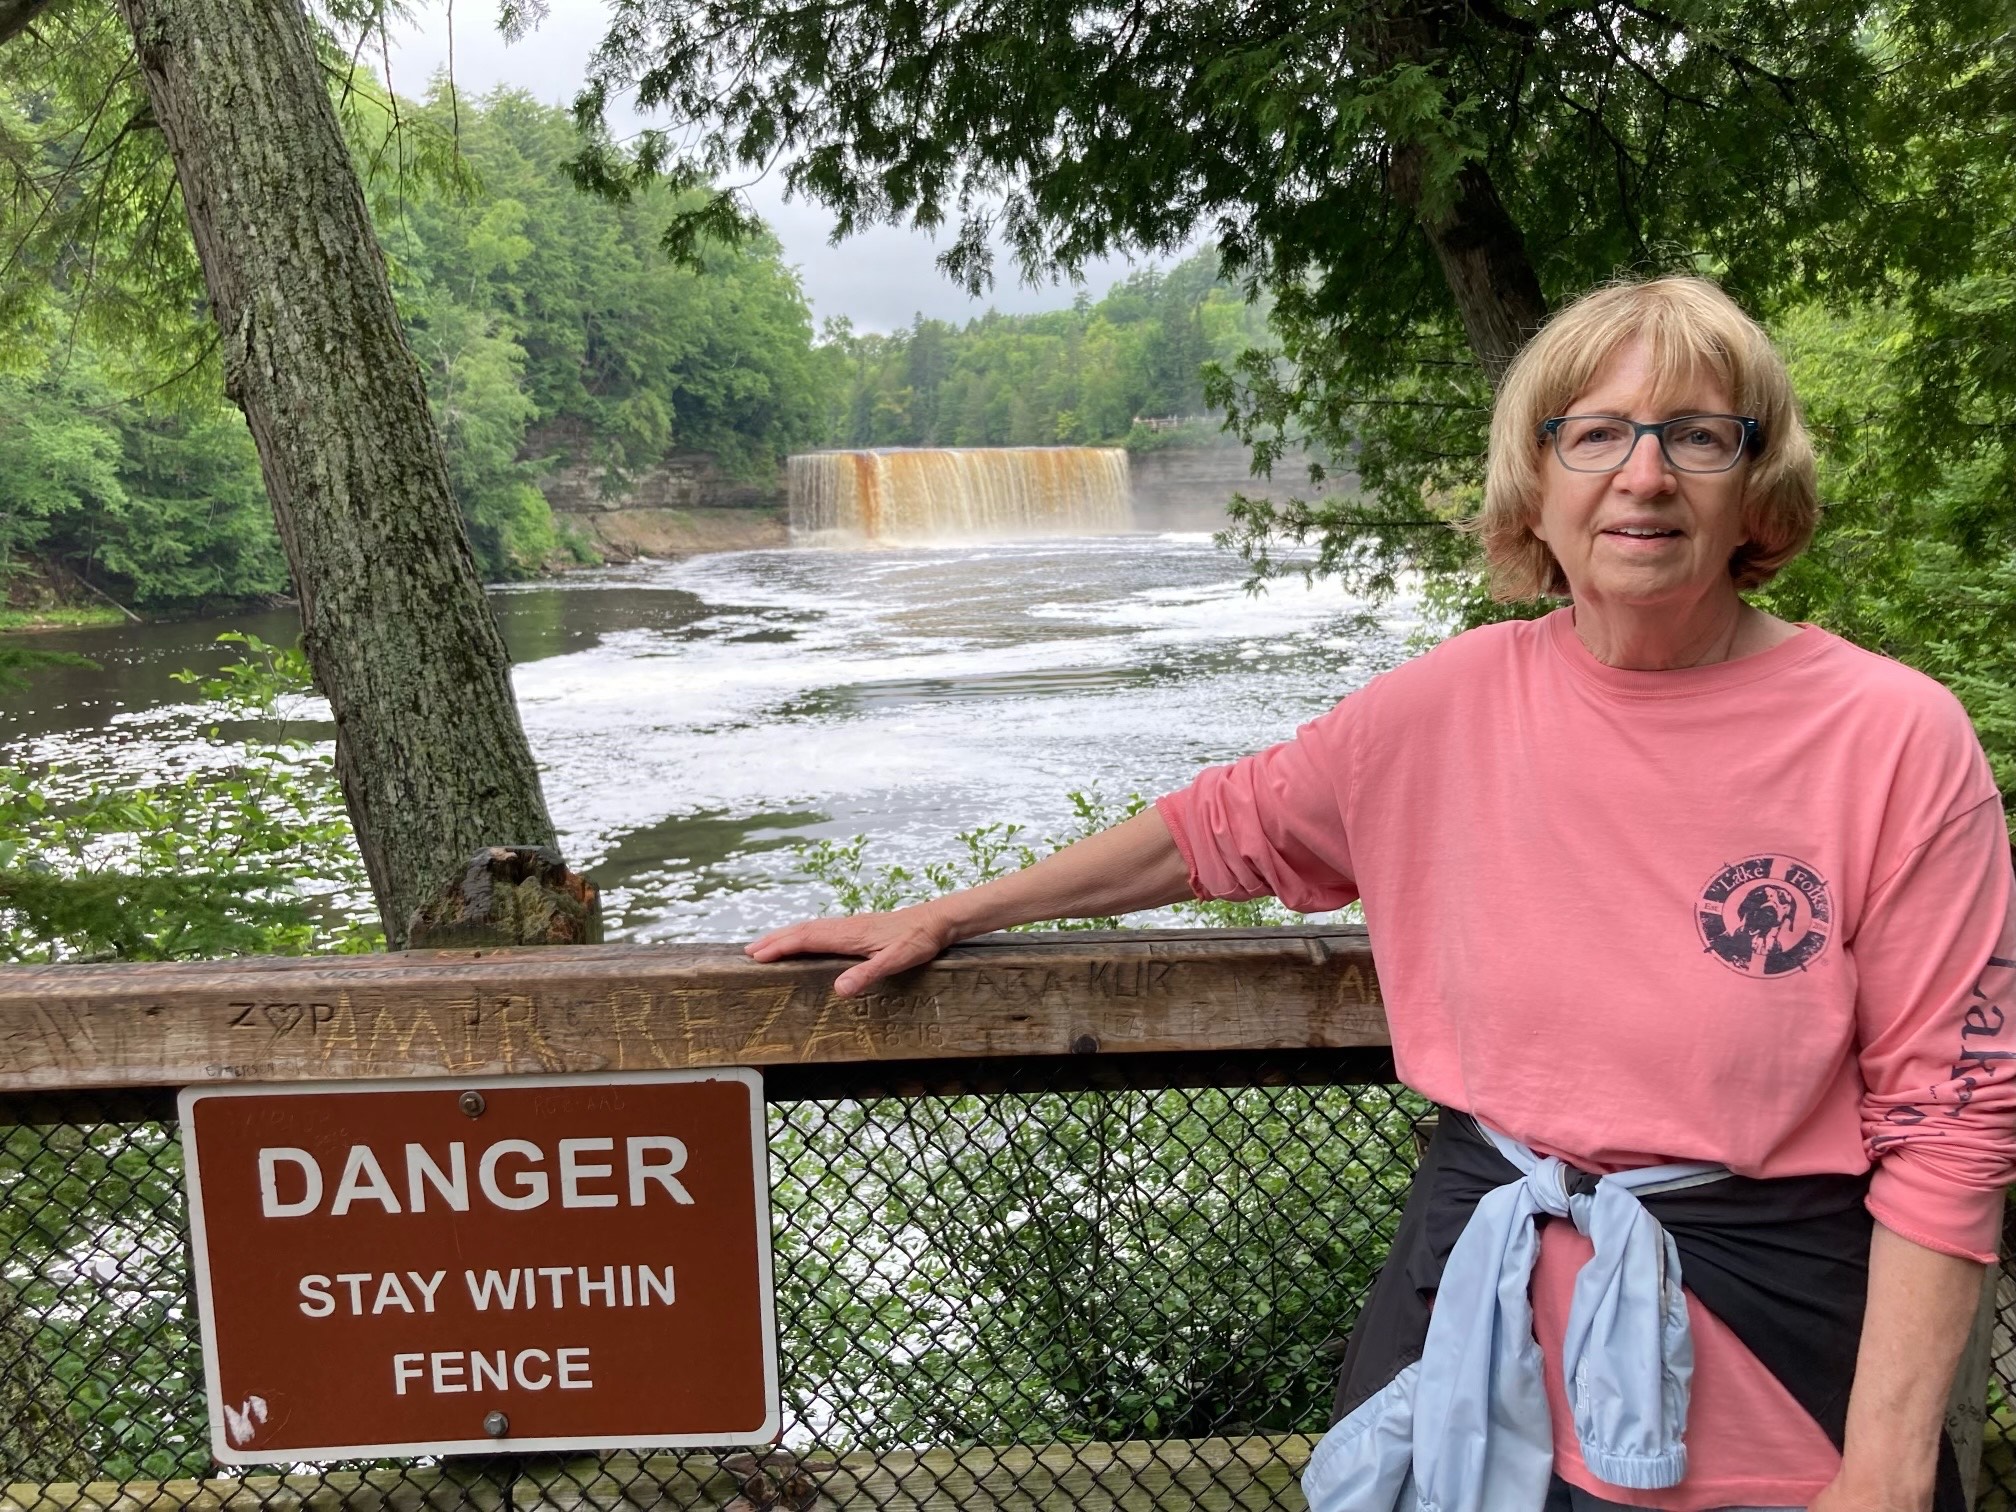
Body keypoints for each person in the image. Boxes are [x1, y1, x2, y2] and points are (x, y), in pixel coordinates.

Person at [746, 277, 2016, 1512]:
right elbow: (1214, 828)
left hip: (1774, 1398)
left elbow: (1952, 1125)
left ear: (1756, 483)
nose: (1643, 475)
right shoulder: (1446, 707)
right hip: (1468, 1360)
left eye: (1694, 435)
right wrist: (957, 913)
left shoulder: (1891, 739)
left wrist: (1889, 1475)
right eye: (1599, 435)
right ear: (1539, 480)